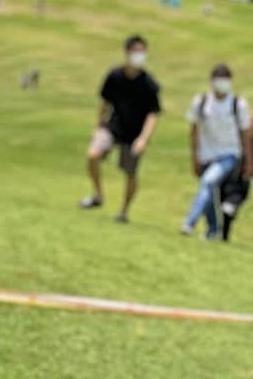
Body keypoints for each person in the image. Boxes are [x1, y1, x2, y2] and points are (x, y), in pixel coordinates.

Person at [79, 34, 161, 223]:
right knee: (93, 155)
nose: (139, 55)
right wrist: (98, 125)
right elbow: (105, 102)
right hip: (113, 126)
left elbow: (153, 114)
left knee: (130, 173)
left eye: (142, 52)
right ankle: (98, 195)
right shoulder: (115, 76)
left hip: (135, 133)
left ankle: (124, 211)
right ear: (126, 53)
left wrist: (144, 139)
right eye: (136, 51)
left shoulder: (149, 84)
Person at [181, 63, 252, 239]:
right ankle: (212, 230)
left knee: (208, 182)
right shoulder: (202, 103)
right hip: (206, 154)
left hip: (230, 153)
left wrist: (248, 160)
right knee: (211, 192)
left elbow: (245, 134)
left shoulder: (238, 104)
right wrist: (195, 157)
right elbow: (194, 131)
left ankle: (189, 222)